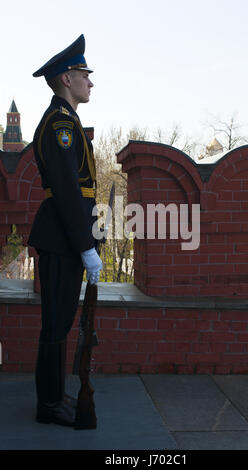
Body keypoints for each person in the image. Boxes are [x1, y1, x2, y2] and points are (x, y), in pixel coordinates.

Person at [28, 34, 102, 427]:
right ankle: (49, 404)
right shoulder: (60, 124)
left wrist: (91, 236)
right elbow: (68, 193)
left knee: (62, 319)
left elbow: (80, 192)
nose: (91, 82)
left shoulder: (68, 121)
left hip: (65, 236)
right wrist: (84, 245)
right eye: (84, 74)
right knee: (56, 321)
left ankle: (55, 396)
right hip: (61, 238)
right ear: (66, 78)